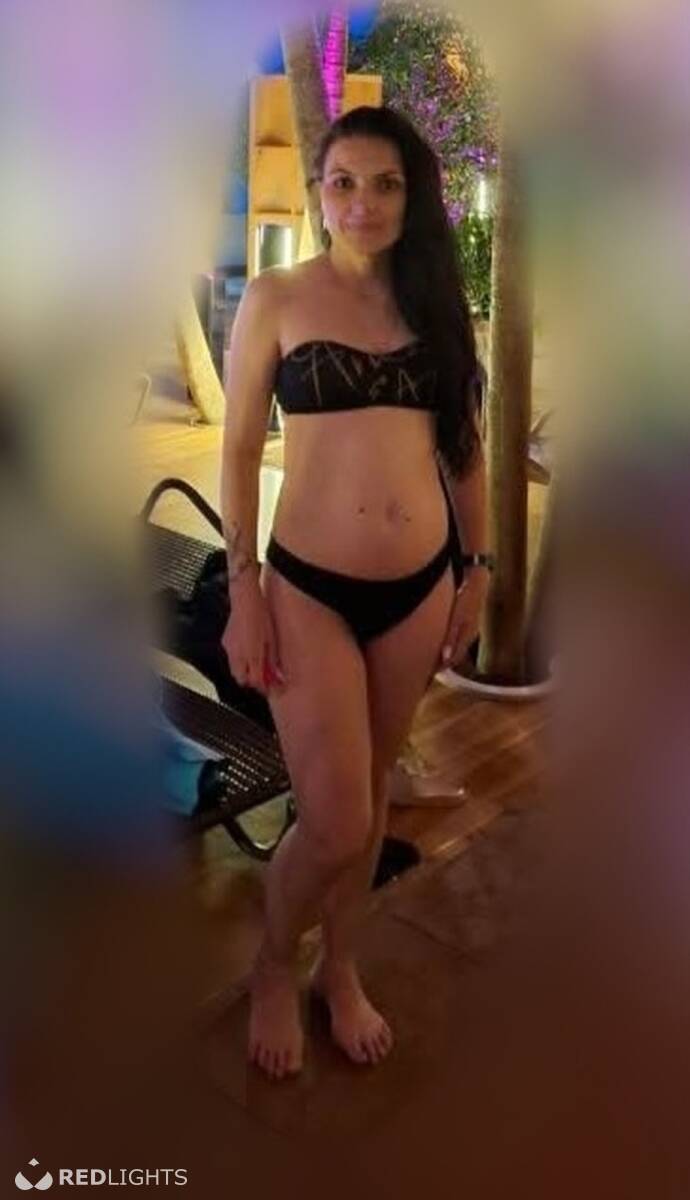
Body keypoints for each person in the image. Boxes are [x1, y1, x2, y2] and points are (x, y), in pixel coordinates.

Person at [221, 105, 490, 1080]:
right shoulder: (279, 297)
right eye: (344, 182)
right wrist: (243, 588)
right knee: (333, 818)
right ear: (319, 193)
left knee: (370, 795)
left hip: (418, 589)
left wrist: (477, 571)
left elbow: (465, 454)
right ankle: (272, 964)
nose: (363, 202)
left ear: (411, 196)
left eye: (384, 184)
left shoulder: (435, 306)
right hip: (309, 590)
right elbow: (238, 451)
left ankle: (340, 967)